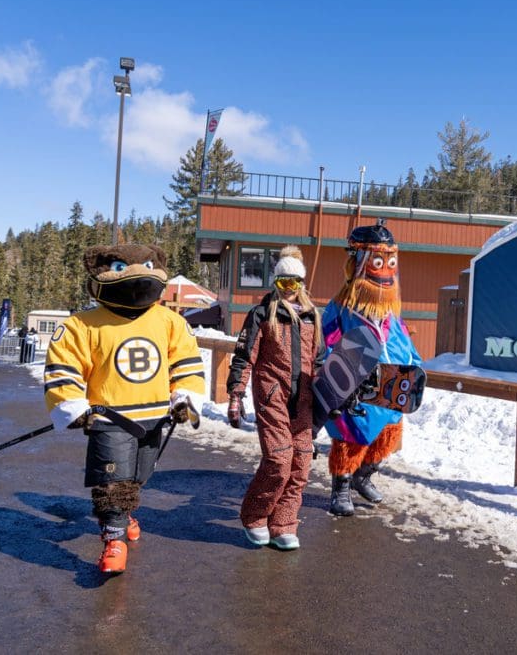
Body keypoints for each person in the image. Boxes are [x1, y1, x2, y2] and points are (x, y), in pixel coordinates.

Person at [44, 243, 206, 575]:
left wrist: (185, 397)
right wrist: (71, 404)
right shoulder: (83, 324)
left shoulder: (169, 321)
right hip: (110, 417)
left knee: (138, 475)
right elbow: (64, 365)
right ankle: (113, 538)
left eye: (147, 265)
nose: (136, 274)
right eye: (121, 267)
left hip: (153, 416)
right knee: (113, 481)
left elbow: (186, 361)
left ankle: (126, 513)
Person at [321, 220, 422, 516]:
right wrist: (336, 371)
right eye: (379, 261)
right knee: (352, 436)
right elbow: (327, 342)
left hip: (391, 382)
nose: (386, 271)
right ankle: (340, 485)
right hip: (357, 384)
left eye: (390, 262)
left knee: (388, 433)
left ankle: (362, 476)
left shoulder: (392, 314)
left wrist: (414, 366)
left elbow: (403, 344)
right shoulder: (341, 309)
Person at [225, 246, 322, 550]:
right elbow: (244, 356)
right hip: (271, 395)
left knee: (301, 463)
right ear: (276, 283)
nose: (289, 290)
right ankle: (255, 515)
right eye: (283, 283)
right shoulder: (261, 314)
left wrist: (329, 390)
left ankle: (283, 523)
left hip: (303, 399)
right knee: (280, 459)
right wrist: (236, 395)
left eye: (294, 283)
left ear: (301, 284)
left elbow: (317, 360)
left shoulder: (311, 316)